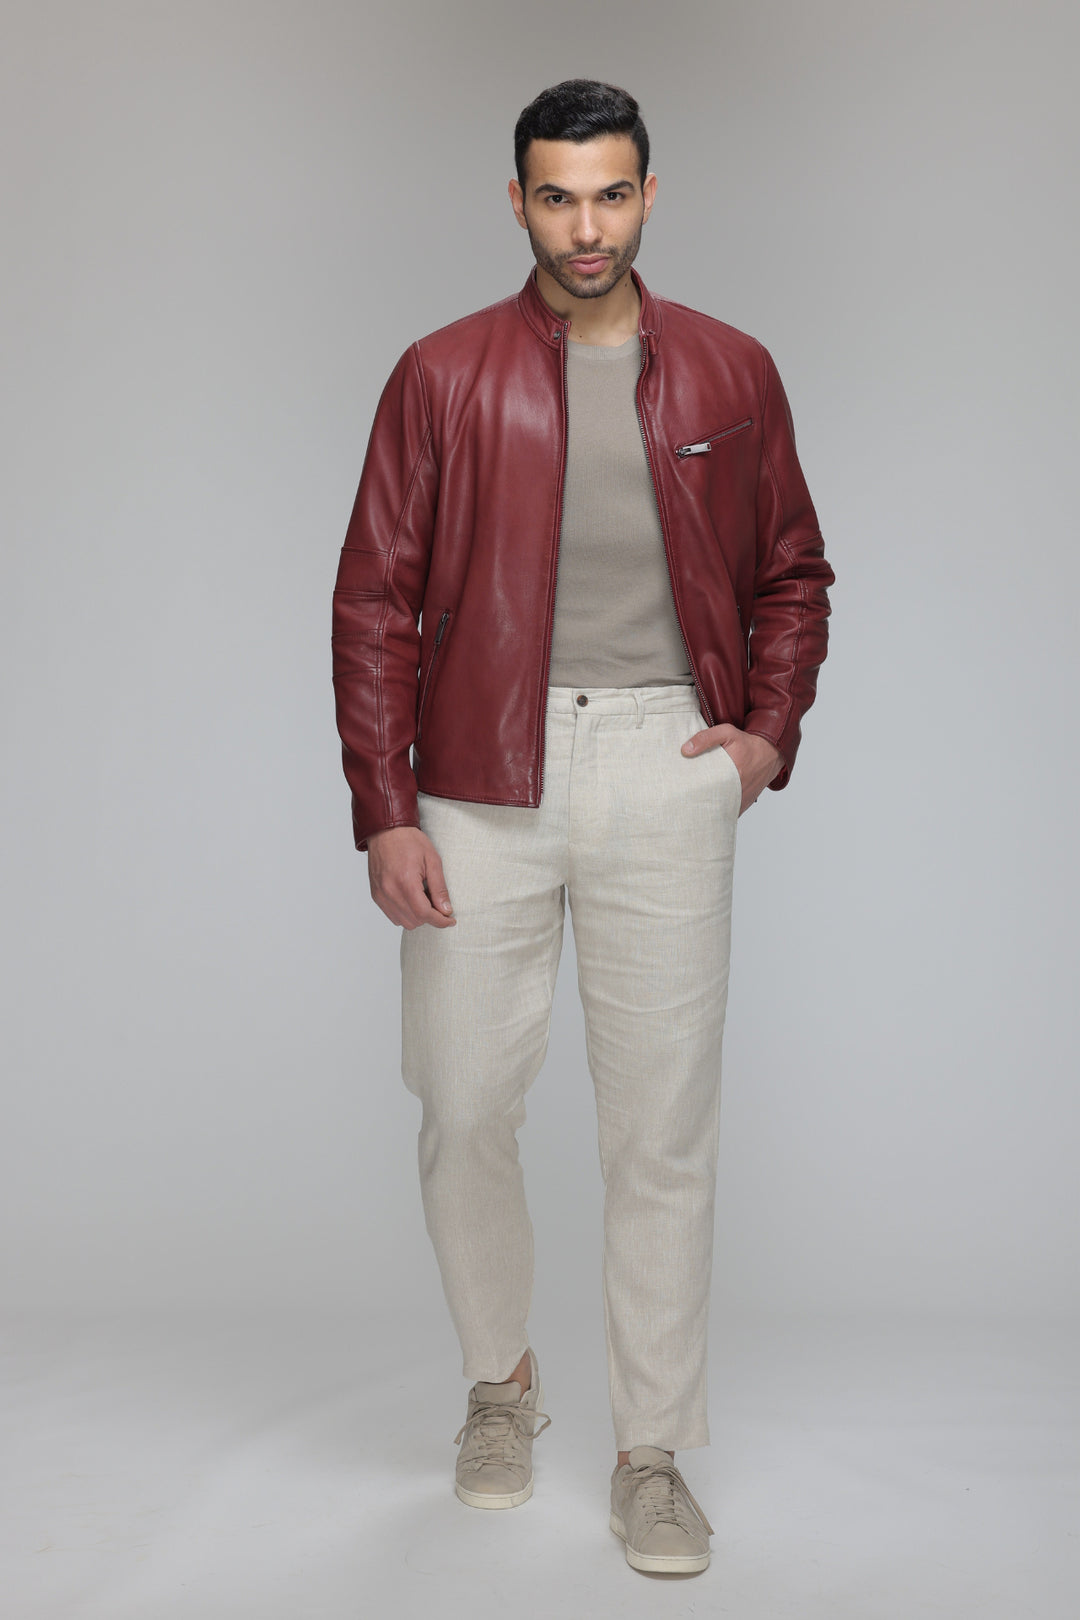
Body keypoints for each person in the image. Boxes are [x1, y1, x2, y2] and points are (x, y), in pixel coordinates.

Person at [331, 78, 833, 1577]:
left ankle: (651, 1453)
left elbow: (793, 573)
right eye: (558, 196)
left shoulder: (732, 369)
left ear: (649, 195)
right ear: (519, 203)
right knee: (460, 1100)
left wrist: (761, 739)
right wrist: (383, 806)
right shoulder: (442, 373)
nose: (587, 224)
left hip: (665, 759)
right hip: (476, 774)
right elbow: (374, 597)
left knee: (660, 1130)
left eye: (611, 193)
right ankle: (502, 1384)